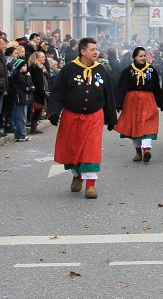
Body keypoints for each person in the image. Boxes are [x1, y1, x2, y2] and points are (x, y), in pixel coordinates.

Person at [49, 38, 117, 198]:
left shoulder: (101, 70)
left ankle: (91, 185)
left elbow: (108, 95)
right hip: (72, 116)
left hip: (94, 117)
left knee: (91, 149)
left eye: (96, 49)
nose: (96, 52)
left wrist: (111, 117)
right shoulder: (68, 69)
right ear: (83, 51)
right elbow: (57, 92)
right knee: (74, 149)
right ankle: (77, 175)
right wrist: (53, 112)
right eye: (92, 49)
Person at [114, 46, 163, 163]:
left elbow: (156, 87)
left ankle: (146, 150)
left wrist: (160, 101)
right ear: (134, 57)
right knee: (135, 126)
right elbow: (121, 88)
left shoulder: (151, 70)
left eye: (144, 56)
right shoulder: (127, 71)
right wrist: (119, 102)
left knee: (148, 124)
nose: (143, 58)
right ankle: (138, 152)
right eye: (140, 56)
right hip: (132, 101)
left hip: (148, 99)